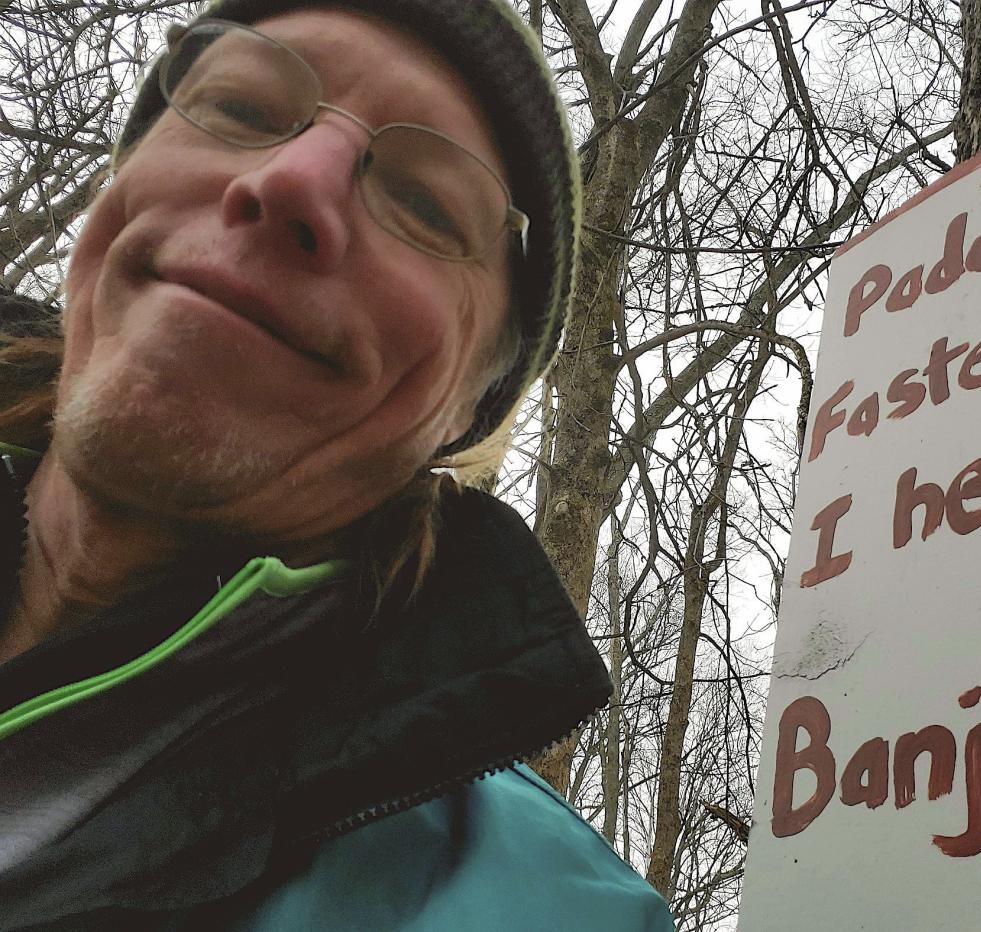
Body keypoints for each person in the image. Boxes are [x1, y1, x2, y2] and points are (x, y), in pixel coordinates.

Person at [0, 1, 674, 928]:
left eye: (428, 204)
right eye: (238, 106)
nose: (290, 180)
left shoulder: (542, 910)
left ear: (467, 413)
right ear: (118, 193)